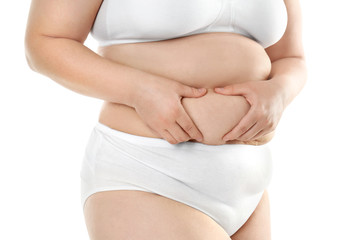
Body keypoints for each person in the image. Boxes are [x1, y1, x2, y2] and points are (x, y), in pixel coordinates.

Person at [25, 0, 307, 239]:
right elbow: (45, 42)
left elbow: (290, 57)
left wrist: (280, 91)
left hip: (250, 187)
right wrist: (138, 90)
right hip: (147, 176)